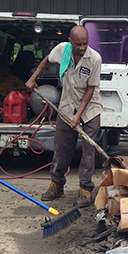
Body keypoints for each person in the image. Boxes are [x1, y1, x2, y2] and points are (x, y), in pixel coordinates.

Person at [25, 25, 102, 208]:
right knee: (62, 148)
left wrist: (79, 116)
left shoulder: (95, 59)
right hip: (67, 107)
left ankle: (85, 189)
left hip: (90, 110)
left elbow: (91, 89)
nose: (82, 48)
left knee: (88, 150)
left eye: (85, 44)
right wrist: (33, 78)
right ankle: (57, 184)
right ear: (70, 42)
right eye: (78, 45)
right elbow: (46, 61)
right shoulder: (62, 50)